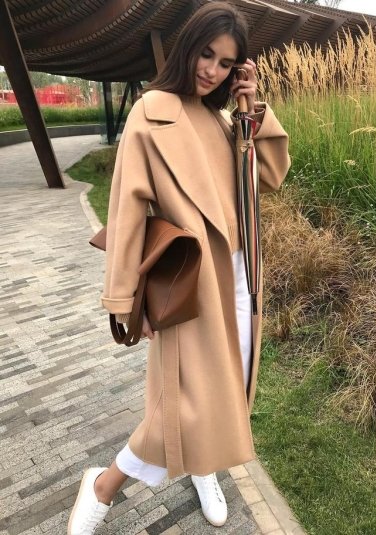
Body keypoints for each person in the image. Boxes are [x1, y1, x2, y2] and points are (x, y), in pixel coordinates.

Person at [67, 2, 290, 533]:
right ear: (188, 46)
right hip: (191, 280)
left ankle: (203, 466)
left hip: (240, 274)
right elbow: (127, 209)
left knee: (225, 386)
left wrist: (251, 108)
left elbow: (269, 177)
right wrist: (127, 300)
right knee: (180, 403)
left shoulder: (222, 118)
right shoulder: (153, 112)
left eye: (225, 62)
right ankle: (103, 485)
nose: (211, 70)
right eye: (206, 54)